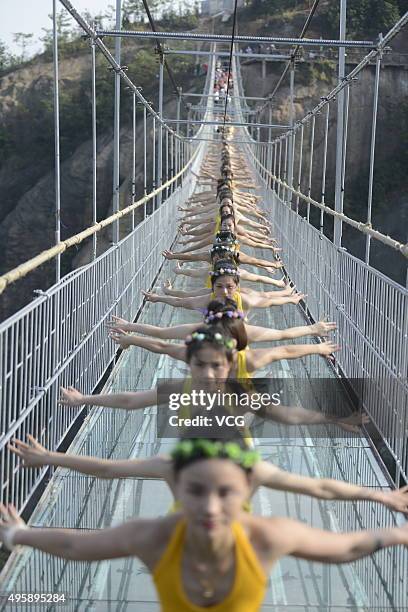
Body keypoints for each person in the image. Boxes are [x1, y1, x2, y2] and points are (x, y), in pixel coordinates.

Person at [2, 439, 408, 612]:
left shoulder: (267, 535)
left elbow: (346, 543)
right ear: (177, 484)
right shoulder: (155, 536)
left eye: (225, 493)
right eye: (195, 491)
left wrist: (393, 526)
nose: (210, 507)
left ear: (247, 486)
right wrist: (18, 534)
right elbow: (77, 546)